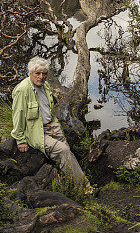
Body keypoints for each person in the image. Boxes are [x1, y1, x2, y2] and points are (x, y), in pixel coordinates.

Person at [11, 56, 92, 193]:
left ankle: (69, 182)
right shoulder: (22, 90)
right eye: (37, 73)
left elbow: (49, 109)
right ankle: (85, 189)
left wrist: (56, 125)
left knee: (67, 151)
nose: (41, 77)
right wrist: (20, 140)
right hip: (36, 132)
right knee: (64, 151)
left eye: (44, 74)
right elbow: (17, 116)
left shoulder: (45, 85)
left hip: (52, 126)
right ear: (30, 73)